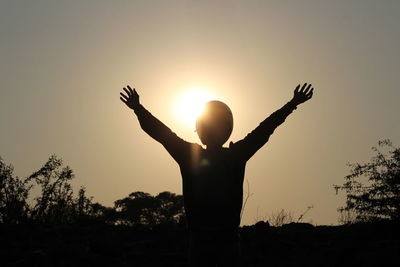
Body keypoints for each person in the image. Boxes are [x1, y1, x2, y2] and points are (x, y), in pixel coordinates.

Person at [120, 83, 314, 266]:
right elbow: (265, 130)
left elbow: (162, 134)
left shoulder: (192, 156)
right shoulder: (233, 155)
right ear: (227, 128)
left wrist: (138, 109)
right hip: (217, 243)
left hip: (209, 243)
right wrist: (292, 104)